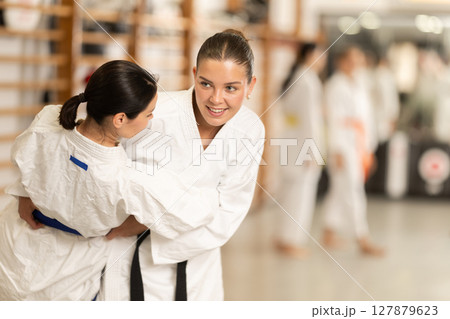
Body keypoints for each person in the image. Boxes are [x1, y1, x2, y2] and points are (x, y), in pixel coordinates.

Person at [0, 60, 218, 300]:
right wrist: (138, 224)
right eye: (148, 113)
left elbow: (26, 158)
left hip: (13, 245)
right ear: (120, 119)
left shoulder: (48, 119)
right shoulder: (124, 179)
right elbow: (199, 208)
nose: (152, 118)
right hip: (66, 275)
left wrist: (23, 192)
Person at [98, 29, 265, 300]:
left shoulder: (250, 129)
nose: (216, 99)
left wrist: (147, 220)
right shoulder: (155, 111)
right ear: (194, 74)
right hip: (128, 255)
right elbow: (96, 151)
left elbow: (228, 214)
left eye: (231, 88)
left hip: (199, 267)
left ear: (251, 86)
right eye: (206, 83)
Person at [322, 46, 384, 256]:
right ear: (341, 62)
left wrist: (369, 149)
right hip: (343, 147)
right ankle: (362, 237)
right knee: (352, 190)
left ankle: (329, 232)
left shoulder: (360, 85)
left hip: (359, 145)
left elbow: (367, 120)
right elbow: (333, 121)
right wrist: (337, 149)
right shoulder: (335, 86)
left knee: (340, 190)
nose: (356, 65)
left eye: (359, 60)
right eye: (351, 60)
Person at [274, 43, 327, 258]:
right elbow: (311, 121)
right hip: (303, 145)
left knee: (288, 193)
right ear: (311, 56)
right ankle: (291, 240)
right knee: (299, 196)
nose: (323, 60)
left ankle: (282, 237)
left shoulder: (296, 76)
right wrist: (312, 152)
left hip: (290, 140)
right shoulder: (308, 81)